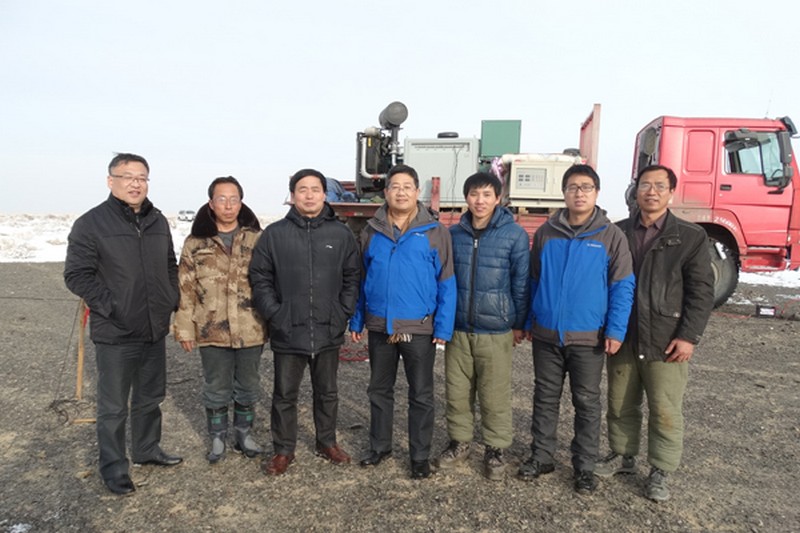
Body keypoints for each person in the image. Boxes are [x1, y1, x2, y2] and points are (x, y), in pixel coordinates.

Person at [64, 153, 182, 496]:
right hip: (116, 332)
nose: (135, 184)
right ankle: (114, 468)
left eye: (142, 177)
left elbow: (169, 264)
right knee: (114, 406)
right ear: (110, 181)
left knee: (150, 397)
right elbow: (77, 275)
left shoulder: (157, 221)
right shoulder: (91, 224)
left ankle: (147, 449)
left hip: (153, 328)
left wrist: (170, 297)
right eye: (127, 177)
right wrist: (111, 306)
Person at [595, 164, 714, 502]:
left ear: (671, 193)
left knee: (664, 407)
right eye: (645, 185)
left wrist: (688, 336)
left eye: (660, 186)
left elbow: (701, 291)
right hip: (623, 335)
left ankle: (661, 470)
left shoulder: (689, 236)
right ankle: (622, 455)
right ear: (635, 191)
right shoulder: (617, 231)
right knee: (620, 402)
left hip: (666, 337)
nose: (651, 192)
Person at [517, 164, 634, 494]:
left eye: (585, 187)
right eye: (572, 187)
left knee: (586, 402)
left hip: (588, 336)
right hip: (547, 334)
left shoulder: (610, 236)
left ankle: (584, 466)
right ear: (564, 193)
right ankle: (542, 456)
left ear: (597, 193)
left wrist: (615, 330)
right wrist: (528, 321)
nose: (579, 193)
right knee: (545, 397)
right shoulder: (547, 233)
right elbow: (534, 280)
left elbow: (622, 286)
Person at [249, 169, 360, 476]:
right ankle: (283, 449)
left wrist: (342, 311)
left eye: (315, 189)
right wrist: (275, 313)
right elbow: (260, 277)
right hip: (288, 327)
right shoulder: (275, 234)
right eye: (302, 189)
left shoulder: (340, 234)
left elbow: (352, 276)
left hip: (327, 326)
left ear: (324, 194)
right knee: (284, 394)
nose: (309, 195)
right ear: (292, 195)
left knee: (327, 392)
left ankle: (327, 442)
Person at [350, 164, 457, 480]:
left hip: (419, 327)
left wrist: (443, 326)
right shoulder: (371, 231)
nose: (401, 192)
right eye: (395, 186)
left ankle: (419, 456)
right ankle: (379, 447)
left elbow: (447, 282)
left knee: (421, 394)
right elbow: (362, 279)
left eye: (407, 186)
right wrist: (357, 320)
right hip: (380, 325)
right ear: (386, 192)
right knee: (379, 390)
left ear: (417, 192)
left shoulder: (435, 232)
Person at [433, 172, 529, 480]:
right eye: (474, 194)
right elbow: (443, 280)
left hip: (495, 329)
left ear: (498, 198)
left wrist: (518, 323)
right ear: (466, 198)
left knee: (494, 394)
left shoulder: (514, 235)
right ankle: (459, 442)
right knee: (457, 392)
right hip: (459, 328)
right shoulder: (453, 234)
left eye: (487, 194)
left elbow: (521, 283)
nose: (480, 200)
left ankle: (495, 449)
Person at [173, 176, 267, 464]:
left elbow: (271, 282)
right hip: (211, 328)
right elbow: (185, 288)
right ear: (211, 204)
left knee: (248, 384)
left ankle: (244, 433)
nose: (228, 205)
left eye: (233, 199)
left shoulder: (257, 239)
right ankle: (217, 436)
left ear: (241, 203)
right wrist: (184, 328)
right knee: (216, 386)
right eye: (221, 199)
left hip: (251, 326)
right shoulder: (195, 243)